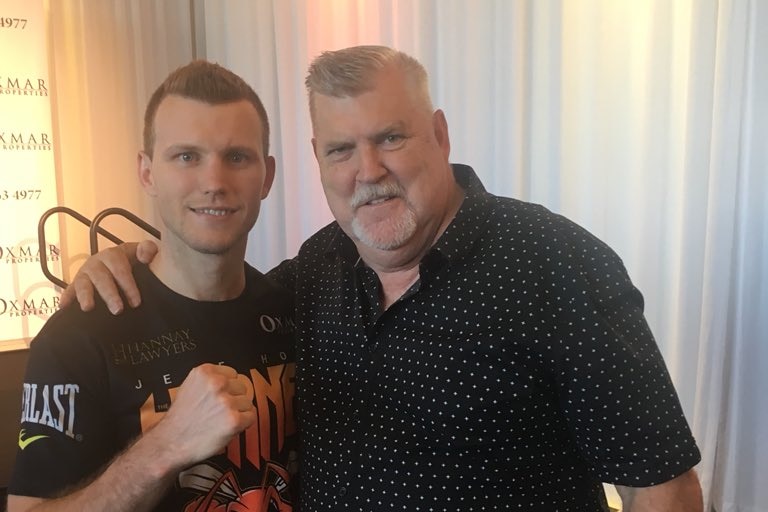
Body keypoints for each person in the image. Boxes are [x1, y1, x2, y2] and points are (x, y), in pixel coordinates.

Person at [61, 46, 703, 511]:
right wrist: (128, 260)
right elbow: (213, 289)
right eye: (341, 149)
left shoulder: (556, 266)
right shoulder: (316, 270)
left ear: (440, 134)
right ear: (315, 161)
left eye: (391, 137)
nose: (367, 170)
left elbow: (662, 487)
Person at [8, 61, 298, 512]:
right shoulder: (77, 336)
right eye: (187, 156)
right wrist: (165, 447)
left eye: (237, 157)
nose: (214, 182)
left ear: (268, 175)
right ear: (147, 173)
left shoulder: (295, 311)